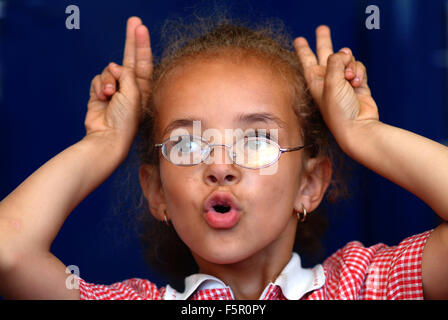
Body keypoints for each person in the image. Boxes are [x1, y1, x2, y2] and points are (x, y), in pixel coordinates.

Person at [0, 15, 447, 300]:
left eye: (256, 141)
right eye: (187, 145)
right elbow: (9, 250)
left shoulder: (366, 286)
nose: (219, 167)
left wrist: (363, 135)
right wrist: (100, 145)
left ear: (308, 185)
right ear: (157, 192)